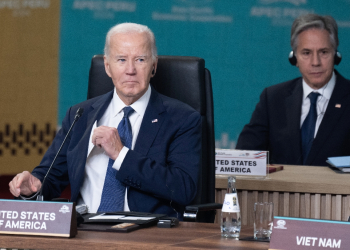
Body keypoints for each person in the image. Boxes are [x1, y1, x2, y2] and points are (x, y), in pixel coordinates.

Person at [9, 23, 201, 219]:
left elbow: (183, 188)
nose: (130, 70)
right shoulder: (80, 115)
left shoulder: (182, 119)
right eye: (121, 60)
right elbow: (49, 178)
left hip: (147, 235)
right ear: (107, 66)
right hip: (84, 232)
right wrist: (32, 187)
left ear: (154, 66)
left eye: (140, 59)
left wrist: (121, 155)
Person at [236, 14, 350, 166]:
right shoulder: (273, 99)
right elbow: (244, 157)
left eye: (323, 52)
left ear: (336, 55)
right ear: (294, 58)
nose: (315, 62)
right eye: (306, 53)